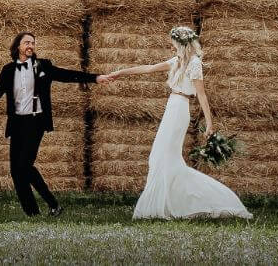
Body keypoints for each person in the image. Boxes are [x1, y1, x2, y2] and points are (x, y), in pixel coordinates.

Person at [107, 25, 252, 220]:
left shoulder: (194, 63)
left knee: (168, 157)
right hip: (172, 106)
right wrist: (120, 72)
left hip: (180, 108)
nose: (171, 44)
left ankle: (213, 200)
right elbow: (149, 68)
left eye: (173, 42)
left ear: (180, 43)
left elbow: (201, 94)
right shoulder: (177, 61)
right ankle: (165, 203)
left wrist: (209, 124)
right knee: (159, 156)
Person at [0, 31, 111, 217]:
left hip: (36, 121)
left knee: (24, 165)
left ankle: (53, 204)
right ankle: (32, 213)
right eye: (26, 43)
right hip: (17, 123)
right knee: (16, 172)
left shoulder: (42, 66)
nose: (30, 46)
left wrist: (95, 78)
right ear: (18, 47)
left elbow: (66, 75)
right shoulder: (8, 71)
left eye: (32, 43)